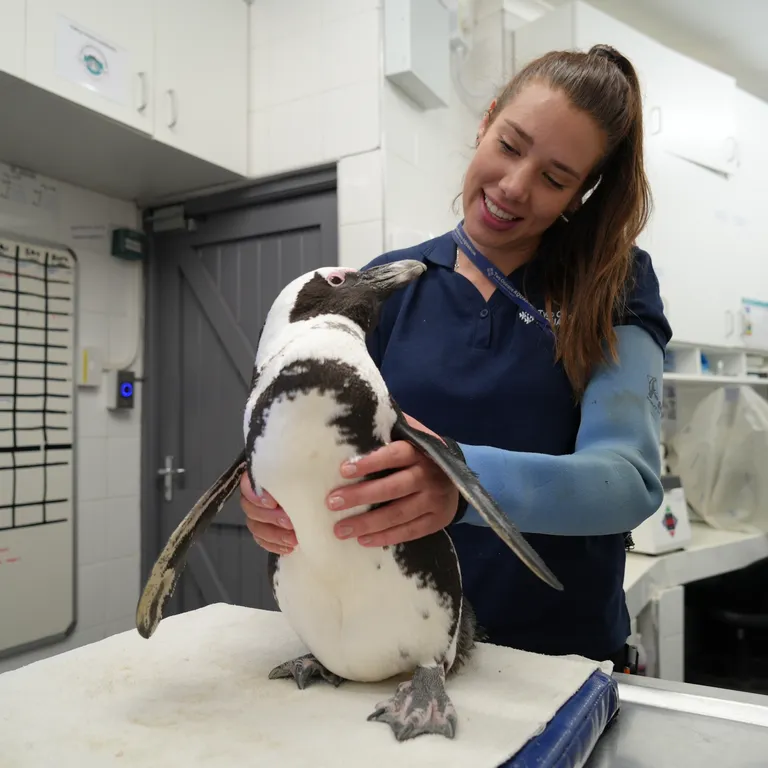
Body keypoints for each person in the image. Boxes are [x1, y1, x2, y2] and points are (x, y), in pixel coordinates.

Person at [240, 44, 673, 667]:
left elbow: (626, 480)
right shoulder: (390, 282)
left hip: (557, 664)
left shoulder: (615, 282)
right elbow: (333, 458)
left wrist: (463, 486)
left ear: (582, 192)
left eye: (554, 178)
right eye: (510, 145)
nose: (514, 187)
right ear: (486, 121)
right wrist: (274, 500)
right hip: (396, 657)